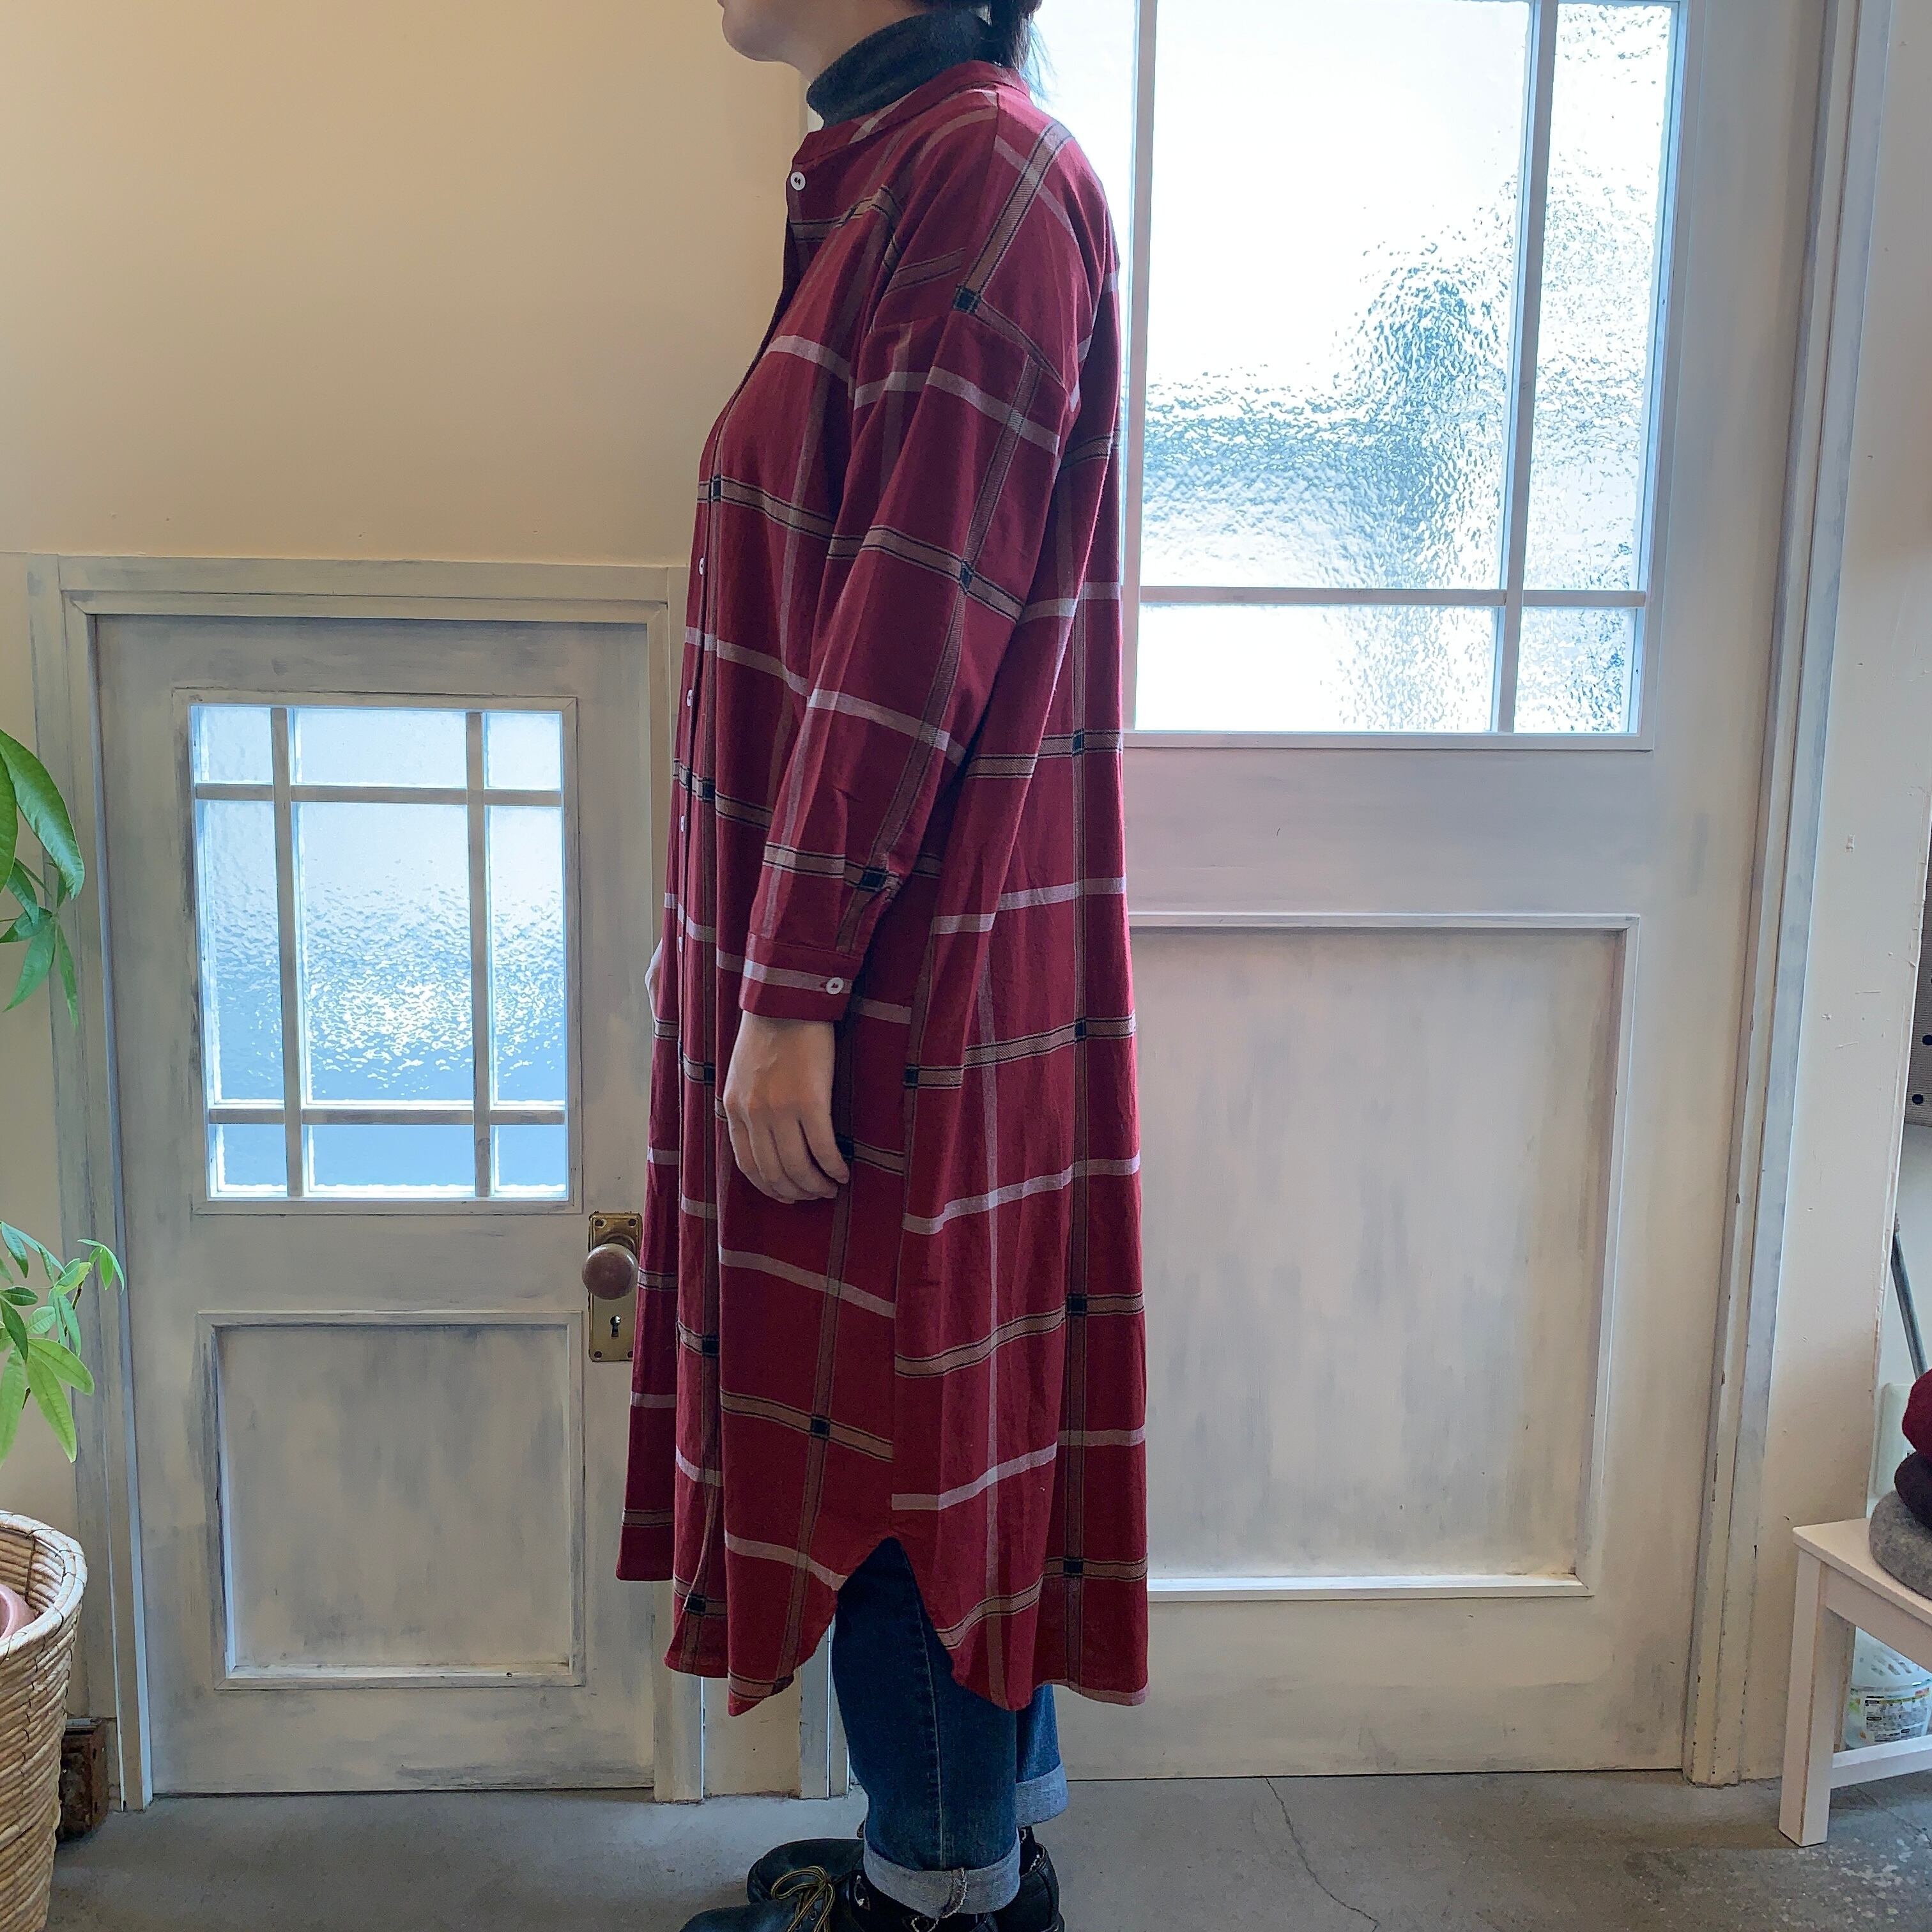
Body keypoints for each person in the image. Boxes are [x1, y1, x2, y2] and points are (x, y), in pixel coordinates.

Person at [621, 4, 1148, 1926]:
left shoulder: (978, 175)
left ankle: (941, 1904)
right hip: (868, 952)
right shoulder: (891, 169)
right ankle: (969, 1860)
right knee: (904, 1420)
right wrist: (733, 958)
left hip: (899, 980)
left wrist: (790, 989)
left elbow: (915, 626)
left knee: (897, 1443)